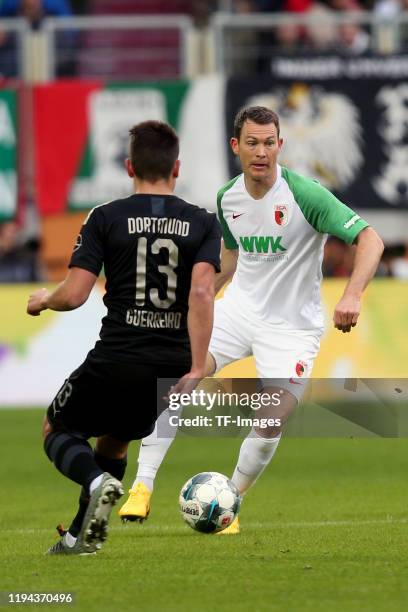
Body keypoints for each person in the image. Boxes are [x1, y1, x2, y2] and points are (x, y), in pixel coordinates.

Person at [119, 105, 384, 533]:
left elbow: (370, 240)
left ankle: (230, 503)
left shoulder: (305, 195)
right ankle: (142, 487)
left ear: (280, 145)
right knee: (178, 378)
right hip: (239, 311)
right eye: (252, 143)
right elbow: (229, 258)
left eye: (269, 142)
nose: (261, 151)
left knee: (271, 415)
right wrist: (201, 296)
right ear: (236, 146)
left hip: (292, 326)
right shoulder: (228, 198)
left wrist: (353, 293)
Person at [26, 120, 221, 554]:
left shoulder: (107, 217)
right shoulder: (203, 222)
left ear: (130, 165)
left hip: (118, 354)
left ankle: (96, 482)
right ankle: (82, 537)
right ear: (177, 167)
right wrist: (195, 366)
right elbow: (203, 292)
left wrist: (43, 300)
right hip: (169, 364)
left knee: (56, 428)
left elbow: (75, 294)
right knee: (114, 439)